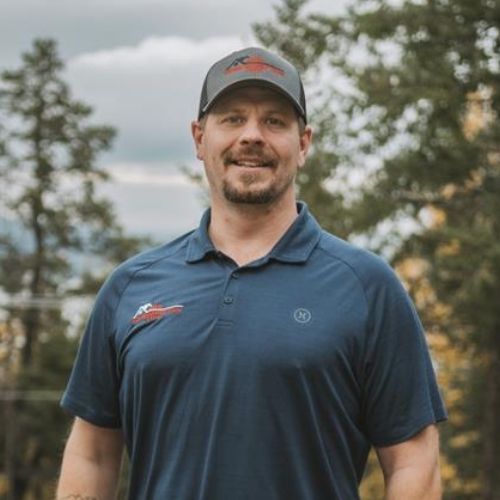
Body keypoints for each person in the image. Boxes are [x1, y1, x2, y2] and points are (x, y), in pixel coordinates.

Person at [57, 47, 447, 499]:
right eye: (233, 119)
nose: (252, 136)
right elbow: (93, 454)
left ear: (303, 144)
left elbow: (413, 461)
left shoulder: (366, 287)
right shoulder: (130, 286)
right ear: (199, 138)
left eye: (275, 121)